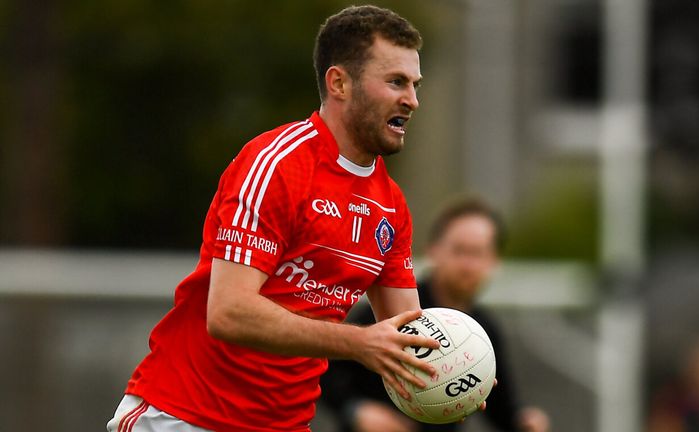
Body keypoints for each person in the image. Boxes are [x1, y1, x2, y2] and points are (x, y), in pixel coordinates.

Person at [106, 6, 457, 432]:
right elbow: (229, 312)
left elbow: (407, 333)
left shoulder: (391, 206)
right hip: (184, 416)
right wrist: (358, 342)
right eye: (396, 82)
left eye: (415, 85)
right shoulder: (277, 165)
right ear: (339, 82)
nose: (413, 100)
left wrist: (458, 367)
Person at [321, 198, 550, 432]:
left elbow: (499, 405)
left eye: (478, 253)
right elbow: (325, 365)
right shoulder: (393, 308)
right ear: (433, 250)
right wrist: (356, 410)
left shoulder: (484, 331)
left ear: (494, 261)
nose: (467, 265)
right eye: (459, 251)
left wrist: (523, 421)